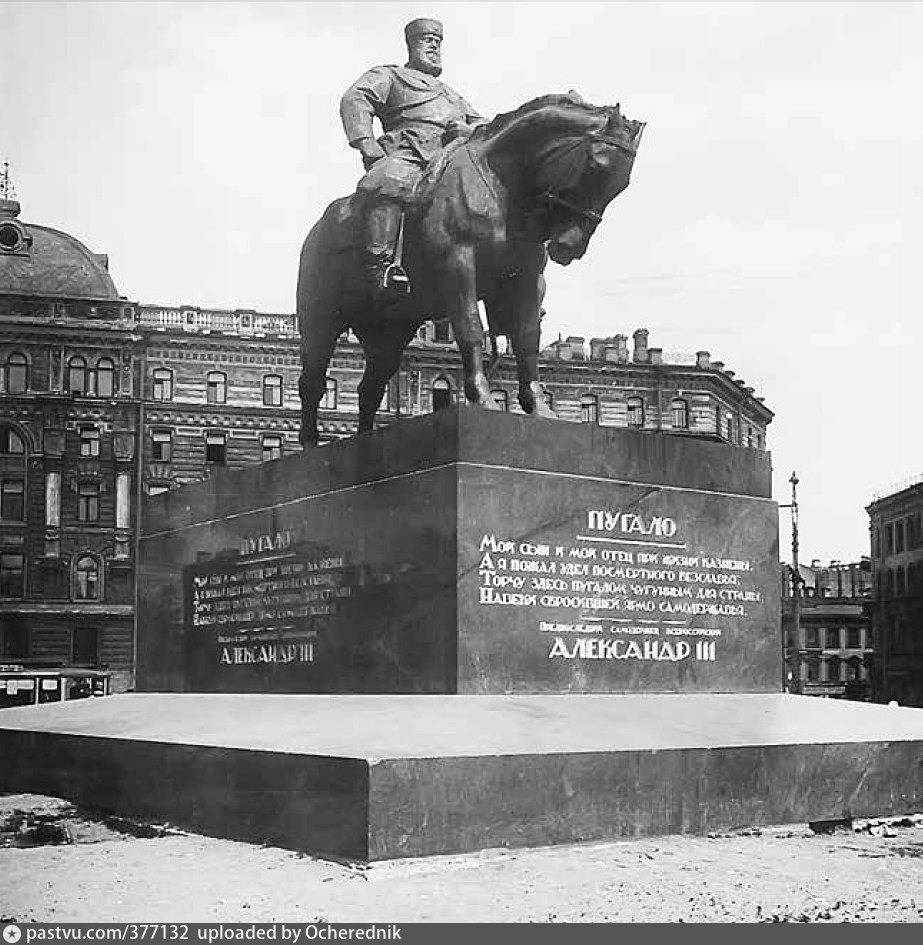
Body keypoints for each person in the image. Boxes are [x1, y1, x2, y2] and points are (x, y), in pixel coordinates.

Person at [340, 17, 486, 305]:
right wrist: (367, 143)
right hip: (409, 153)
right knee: (390, 179)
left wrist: (470, 131)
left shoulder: (452, 95)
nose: (434, 45)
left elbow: (486, 126)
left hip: (451, 157)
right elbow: (355, 99)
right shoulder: (391, 76)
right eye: (427, 40)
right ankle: (380, 268)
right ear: (411, 45)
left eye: (438, 41)